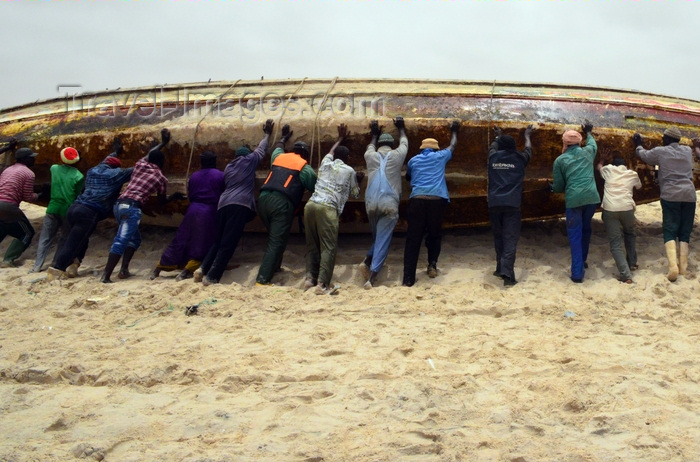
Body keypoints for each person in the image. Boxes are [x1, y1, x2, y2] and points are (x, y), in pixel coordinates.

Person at [194, 119, 275, 285]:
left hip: (223, 204)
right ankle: (212, 277)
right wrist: (267, 133)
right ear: (246, 155)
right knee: (228, 243)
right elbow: (261, 149)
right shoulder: (249, 161)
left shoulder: (228, 168)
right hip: (239, 205)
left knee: (219, 239)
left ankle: (202, 269)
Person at [100, 129, 184, 283]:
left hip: (118, 205)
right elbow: (161, 202)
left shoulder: (140, 165)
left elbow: (150, 153)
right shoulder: (161, 178)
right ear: (162, 163)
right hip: (132, 208)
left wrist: (162, 143)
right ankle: (106, 275)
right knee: (121, 240)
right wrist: (174, 197)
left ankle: (124, 270)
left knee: (134, 239)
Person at [48, 140, 133, 279]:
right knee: (75, 242)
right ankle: (57, 268)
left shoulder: (93, 170)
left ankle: (73, 266)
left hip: (74, 208)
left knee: (79, 238)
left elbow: (105, 162)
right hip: (89, 212)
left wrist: (116, 152)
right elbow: (140, 167)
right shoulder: (117, 174)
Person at [303, 123, 363, 294]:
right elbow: (356, 194)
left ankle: (309, 279)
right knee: (328, 248)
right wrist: (359, 180)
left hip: (311, 205)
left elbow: (330, 152)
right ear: (348, 158)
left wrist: (340, 139)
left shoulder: (325, 163)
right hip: (327, 208)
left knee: (312, 245)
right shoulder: (349, 170)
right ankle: (322, 284)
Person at [255, 126, 316, 286]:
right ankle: (262, 280)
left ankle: (274, 268)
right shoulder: (304, 167)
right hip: (281, 204)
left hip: (263, 199)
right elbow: (315, 185)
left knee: (275, 238)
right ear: (305, 155)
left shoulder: (279, 158)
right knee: (276, 242)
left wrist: (283, 138)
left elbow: (277, 148)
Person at [151, 149, 225, 281]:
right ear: (214, 161)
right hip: (209, 212)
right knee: (202, 243)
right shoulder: (220, 175)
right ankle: (186, 271)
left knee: (181, 238)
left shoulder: (194, 176)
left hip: (192, 209)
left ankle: (158, 268)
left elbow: (190, 195)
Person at [402, 120, 460, 287]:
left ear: (421, 149)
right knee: (434, 235)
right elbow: (453, 145)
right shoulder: (441, 156)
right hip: (437, 201)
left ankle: (408, 279)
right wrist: (454, 130)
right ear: (436, 149)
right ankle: (432, 265)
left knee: (413, 238)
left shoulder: (413, 160)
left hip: (418, 200)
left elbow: (408, 177)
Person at [634, 127, 696, 281]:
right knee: (685, 230)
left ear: (667, 139)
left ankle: (672, 267)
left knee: (669, 229)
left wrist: (638, 143)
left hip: (670, 194)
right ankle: (683, 268)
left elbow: (643, 155)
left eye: (663, 138)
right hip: (689, 194)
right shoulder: (687, 150)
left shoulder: (660, 151)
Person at [360, 117, 408, 289]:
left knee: (378, 236)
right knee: (383, 239)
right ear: (391, 144)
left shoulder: (369, 156)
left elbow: (370, 146)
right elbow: (404, 143)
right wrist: (401, 128)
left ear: (379, 144)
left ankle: (368, 261)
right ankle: (371, 277)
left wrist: (374, 134)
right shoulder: (397, 155)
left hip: (370, 202)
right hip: (389, 202)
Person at [552, 121, 599, 283]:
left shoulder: (560, 160)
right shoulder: (588, 152)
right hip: (592, 198)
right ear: (579, 142)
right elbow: (593, 145)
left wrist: (551, 187)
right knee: (586, 229)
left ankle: (577, 273)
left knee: (575, 235)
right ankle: (583, 261)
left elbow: (558, 187)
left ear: (565, 143)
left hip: (574, 200)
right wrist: (589, 132)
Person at [487, 125, 534, 287]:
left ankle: (499, 268)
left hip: (494, 204)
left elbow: (492, 147)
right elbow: (528, 149)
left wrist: (497, 136)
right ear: (514, 147)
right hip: (512, 205)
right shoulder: (520, 159)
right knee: (510, 239)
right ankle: (508, 274)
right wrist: (527, 135)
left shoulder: (492, 158)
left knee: (498, 237)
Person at [31, 147, 85, 273]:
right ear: (78, 160)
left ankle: (37, 265)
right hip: (67, 209)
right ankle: (56, 262)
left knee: (45, 238)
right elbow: (77, 193)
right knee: (64, 237)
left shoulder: (54, 169)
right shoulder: (79, 176)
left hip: (53, 207)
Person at [596, 150, 642, 284]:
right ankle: (632, 262)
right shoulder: (632, 174)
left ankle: (626, 275)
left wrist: (602, 160)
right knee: (630, 233)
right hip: (627, 209)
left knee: (615, 243)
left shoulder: (608, 170)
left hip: (610, 209)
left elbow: (598, 168)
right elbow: (639, 187)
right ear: (625, 166)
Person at [0, 142, 43, 267]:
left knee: (3, 228)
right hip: (9, 206)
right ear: (24, 159)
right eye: (31, 157)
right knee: (27, 233)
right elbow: (28, 197)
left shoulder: (8, 169)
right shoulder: (29, 174)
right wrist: (40, 194)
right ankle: (8, 259)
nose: (34, 159)